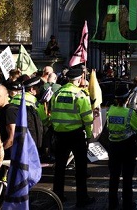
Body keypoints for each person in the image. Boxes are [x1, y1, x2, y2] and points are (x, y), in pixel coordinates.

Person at [50, 67, 95, 207]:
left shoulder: (57, 93)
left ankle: (57, 196)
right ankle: (82, 198)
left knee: (60, 168)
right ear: (80, 79)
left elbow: (52, 112)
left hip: (59, 135)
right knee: (80, 169)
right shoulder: (80, 95)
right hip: (76, 135)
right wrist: (89, 134)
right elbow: (87, 118)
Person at [107, 83, 137, 210]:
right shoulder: (130, 113)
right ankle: (127, 203)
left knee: (114, 176)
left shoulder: (111, 110)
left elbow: (108, 127)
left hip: (113, 146)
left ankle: (112, 203)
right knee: (127, 177)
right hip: (127, 147)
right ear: (127, 99)